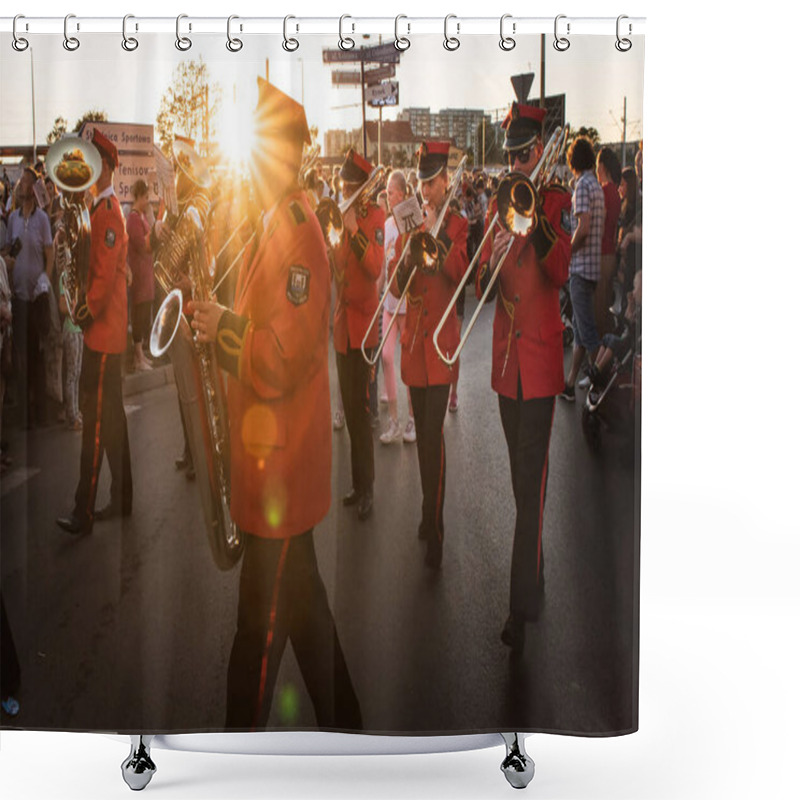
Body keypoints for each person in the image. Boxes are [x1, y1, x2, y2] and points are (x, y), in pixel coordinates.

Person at [188, 78, 362, 731]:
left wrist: (221, 330)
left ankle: (237, 759)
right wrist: (225, 315)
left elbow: (286, 357)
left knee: (254, 643)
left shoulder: (297, 233)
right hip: (275, 477)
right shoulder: (276, 224)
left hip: (281, 482)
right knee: (306, 626)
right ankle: (353, 736)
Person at [475, 101, 572, 653]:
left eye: (523, 153)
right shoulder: (496, 207)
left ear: (542, 152)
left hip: (538, 366)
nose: (516, 163)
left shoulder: (552, 202)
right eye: (510, 154)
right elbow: (488, 282)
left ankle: (520, 607)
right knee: (523, 485)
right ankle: (535, 567)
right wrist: (489, 255)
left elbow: (559, 272)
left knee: (530, 488)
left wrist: (533, 225)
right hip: (507, 366)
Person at [390, 141, 468, 569]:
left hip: (438, 345)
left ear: (445, 181)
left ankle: (435, 530)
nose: (423, 191)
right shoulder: (410, 223)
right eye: (419, 182)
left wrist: (434, 236)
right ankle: (426, 509)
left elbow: (459, 271)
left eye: (430, 183)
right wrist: (406, 253)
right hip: (414, 346)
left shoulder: (456, 223)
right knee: (423, 439)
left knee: (433, 441)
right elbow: (397, 285)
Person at [56, 130, 132, 535]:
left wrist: (78, 314)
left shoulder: (106, 214)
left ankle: (82, 510)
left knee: (97, 426)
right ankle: (124, 498)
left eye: (89, 164)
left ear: (102, 167)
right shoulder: (99, 209)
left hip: (102, 335)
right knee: (113, 422)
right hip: (104, 334)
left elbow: (99, 285)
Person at [329, 148, 385, 522]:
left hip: (364, 331)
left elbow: (376, 268)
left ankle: (368, 488)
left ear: (363, 187)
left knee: (363, 414)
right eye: (343, 184)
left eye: (350, 185)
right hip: (343, 330)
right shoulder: (343, 216)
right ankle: (355, 482)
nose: (345, 190)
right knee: (349, 412)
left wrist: (353, 231)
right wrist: (335, 238)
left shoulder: (375, 216)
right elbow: (339, 271)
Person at [3, 167, 54, 428]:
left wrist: (45, 277)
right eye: (20, 182)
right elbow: (10, 251)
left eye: (25, 182)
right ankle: (24, 415)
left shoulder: (42, 219)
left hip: (36, 298)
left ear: (34, 188)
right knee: (21, 356)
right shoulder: (12, 219)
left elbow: (50, 252)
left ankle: (40, 411)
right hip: (18, 298)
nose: (21, 186)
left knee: (36, 355)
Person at [560, 135, 605, 401]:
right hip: (593, 266)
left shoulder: (582, 187)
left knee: (586, 332)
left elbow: (583, 228)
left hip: (580, 267)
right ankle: (569, 383)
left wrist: (568, 249)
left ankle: (601, 383)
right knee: (579, 328)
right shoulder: (597, 186)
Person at [378, 169, 415, 445]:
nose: (387, 196)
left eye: (390, 192)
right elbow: (382, 263)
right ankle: (393, 420)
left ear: (401, 194)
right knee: (388, 357)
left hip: (407, 304)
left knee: (409, 364)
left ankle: (411, 419)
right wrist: (377, 289)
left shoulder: (410, 221)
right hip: (389, 302)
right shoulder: (386, 224)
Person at [126, 179, 156, 372]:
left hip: (146, 272)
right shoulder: (133, 219)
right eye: (145, 197)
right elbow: (140, 243)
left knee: (144, 313)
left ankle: (141, 355)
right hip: (139, 274)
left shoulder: (142, 216)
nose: (148, 201)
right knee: (139, 314)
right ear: (139, 197)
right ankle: (138, 357)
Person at [593, 147, 622, 341]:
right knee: (603, 306)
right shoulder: (616, 194)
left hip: (601, 254)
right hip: (610, 254)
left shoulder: (603, 191)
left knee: (597, 310)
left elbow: (599, 224)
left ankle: (602, 353)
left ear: (601, 166)